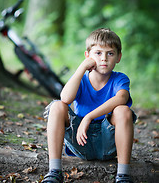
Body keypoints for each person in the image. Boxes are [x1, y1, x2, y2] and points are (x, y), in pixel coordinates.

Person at [42, 28, 137, 183]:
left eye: (110, 53)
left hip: (108, 142)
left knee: (123, 111)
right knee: (57, 106)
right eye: (98, 53)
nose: (104, 59)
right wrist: (81, 68)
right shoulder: (81, 80)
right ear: (87, 56)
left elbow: (121, 98)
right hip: (81, 141)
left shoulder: (120, 79)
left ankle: (123, 175)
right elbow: (65, 98)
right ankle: (54, 171)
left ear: (119, 57)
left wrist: (89, 117)